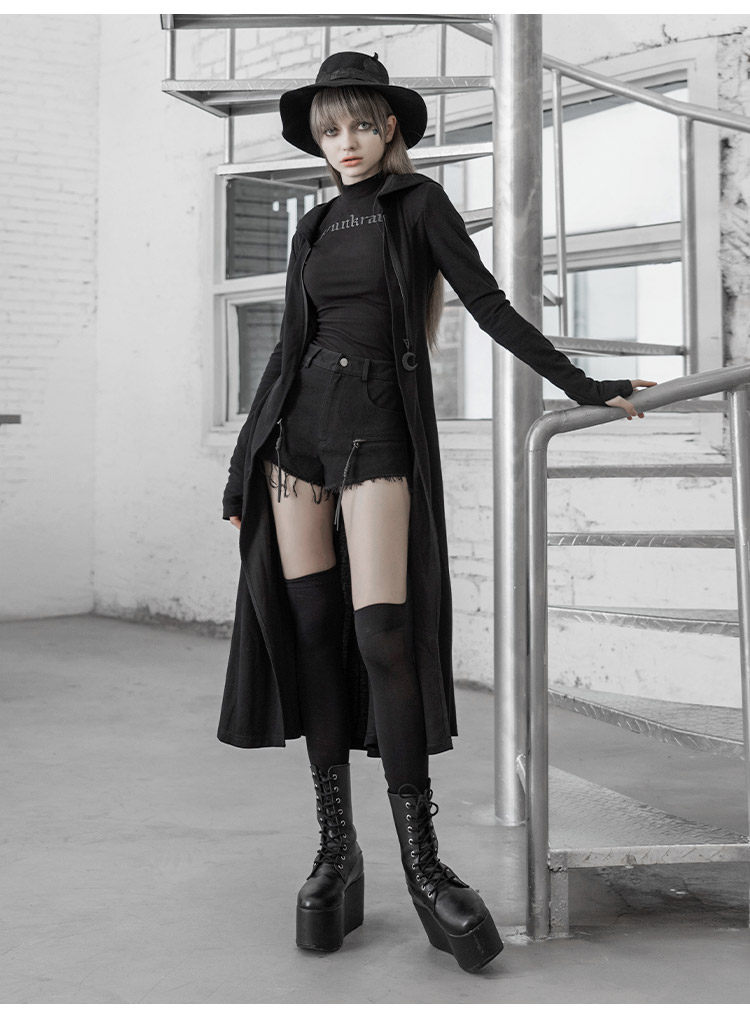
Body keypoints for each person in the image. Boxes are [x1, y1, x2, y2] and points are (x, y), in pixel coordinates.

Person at [220, 50, 657, 972]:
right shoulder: (312, 224)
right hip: (293, 445)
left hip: (377, 433)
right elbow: (288, 348)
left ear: (391, 128)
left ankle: (423, 862)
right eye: (329, 129)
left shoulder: (418, 207)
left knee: (382, 636)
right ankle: (336, 852)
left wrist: (586, 385)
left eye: (359, 124)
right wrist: (240, 466)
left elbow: (489, 306)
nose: (344, 142)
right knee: (312, 637)